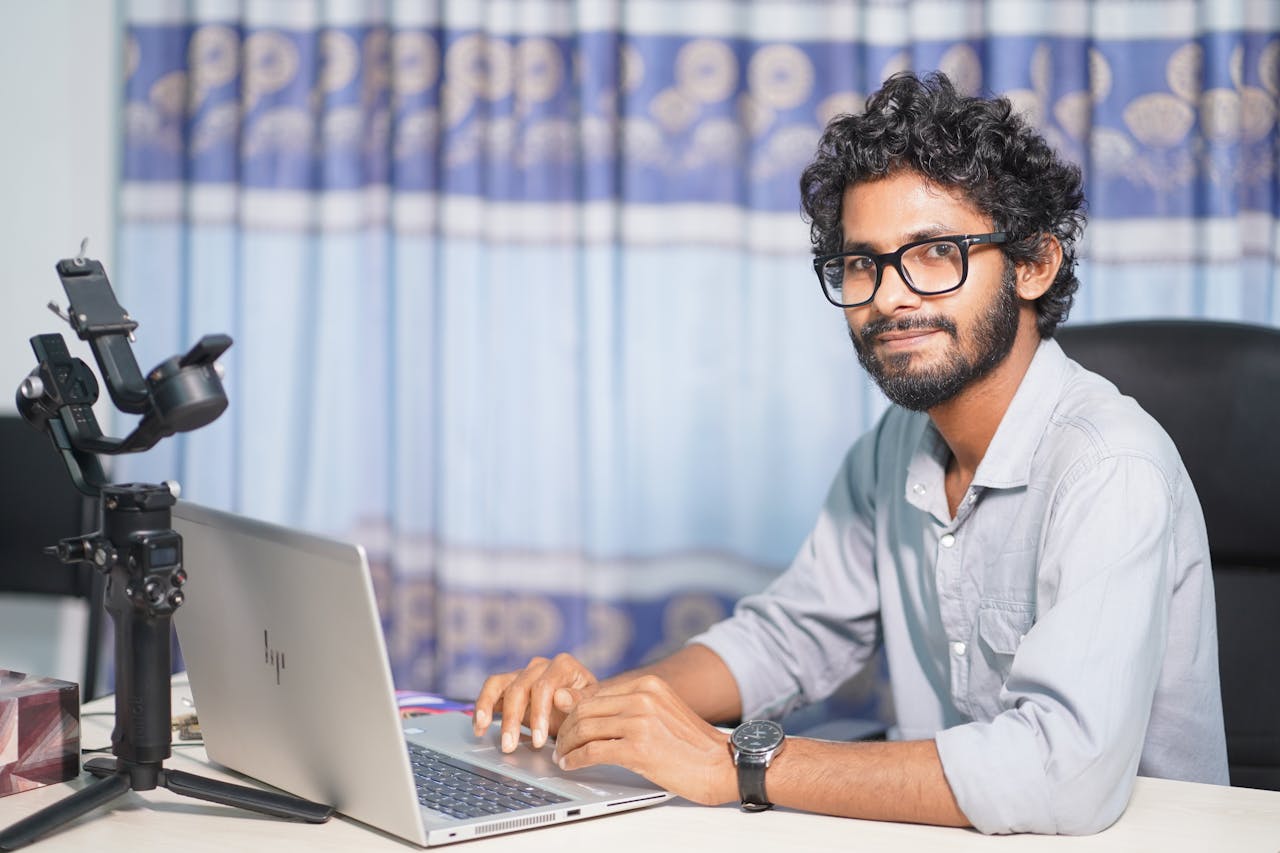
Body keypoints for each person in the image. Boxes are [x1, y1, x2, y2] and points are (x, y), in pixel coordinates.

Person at [471, 71, 1228, 836]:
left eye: (935, 252)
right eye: (862, 262)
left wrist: (736, 763)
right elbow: (789, 635)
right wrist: (616, 707)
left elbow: (1064, 773)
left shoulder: (1110, 467)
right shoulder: (895, 448)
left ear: (1035, 263)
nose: (890, 296)